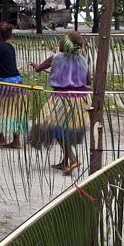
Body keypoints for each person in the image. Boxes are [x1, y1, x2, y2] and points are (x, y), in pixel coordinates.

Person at [28, 32, 92, 175]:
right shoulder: (81, 59)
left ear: (63, 45)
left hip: (62, 98)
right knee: (67, 130)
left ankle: (73, 159)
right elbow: (88, 81)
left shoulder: (56, 58)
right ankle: (65, 162)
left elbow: (38, 69)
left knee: (54, 129)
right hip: (81, 97)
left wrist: (37, 66)